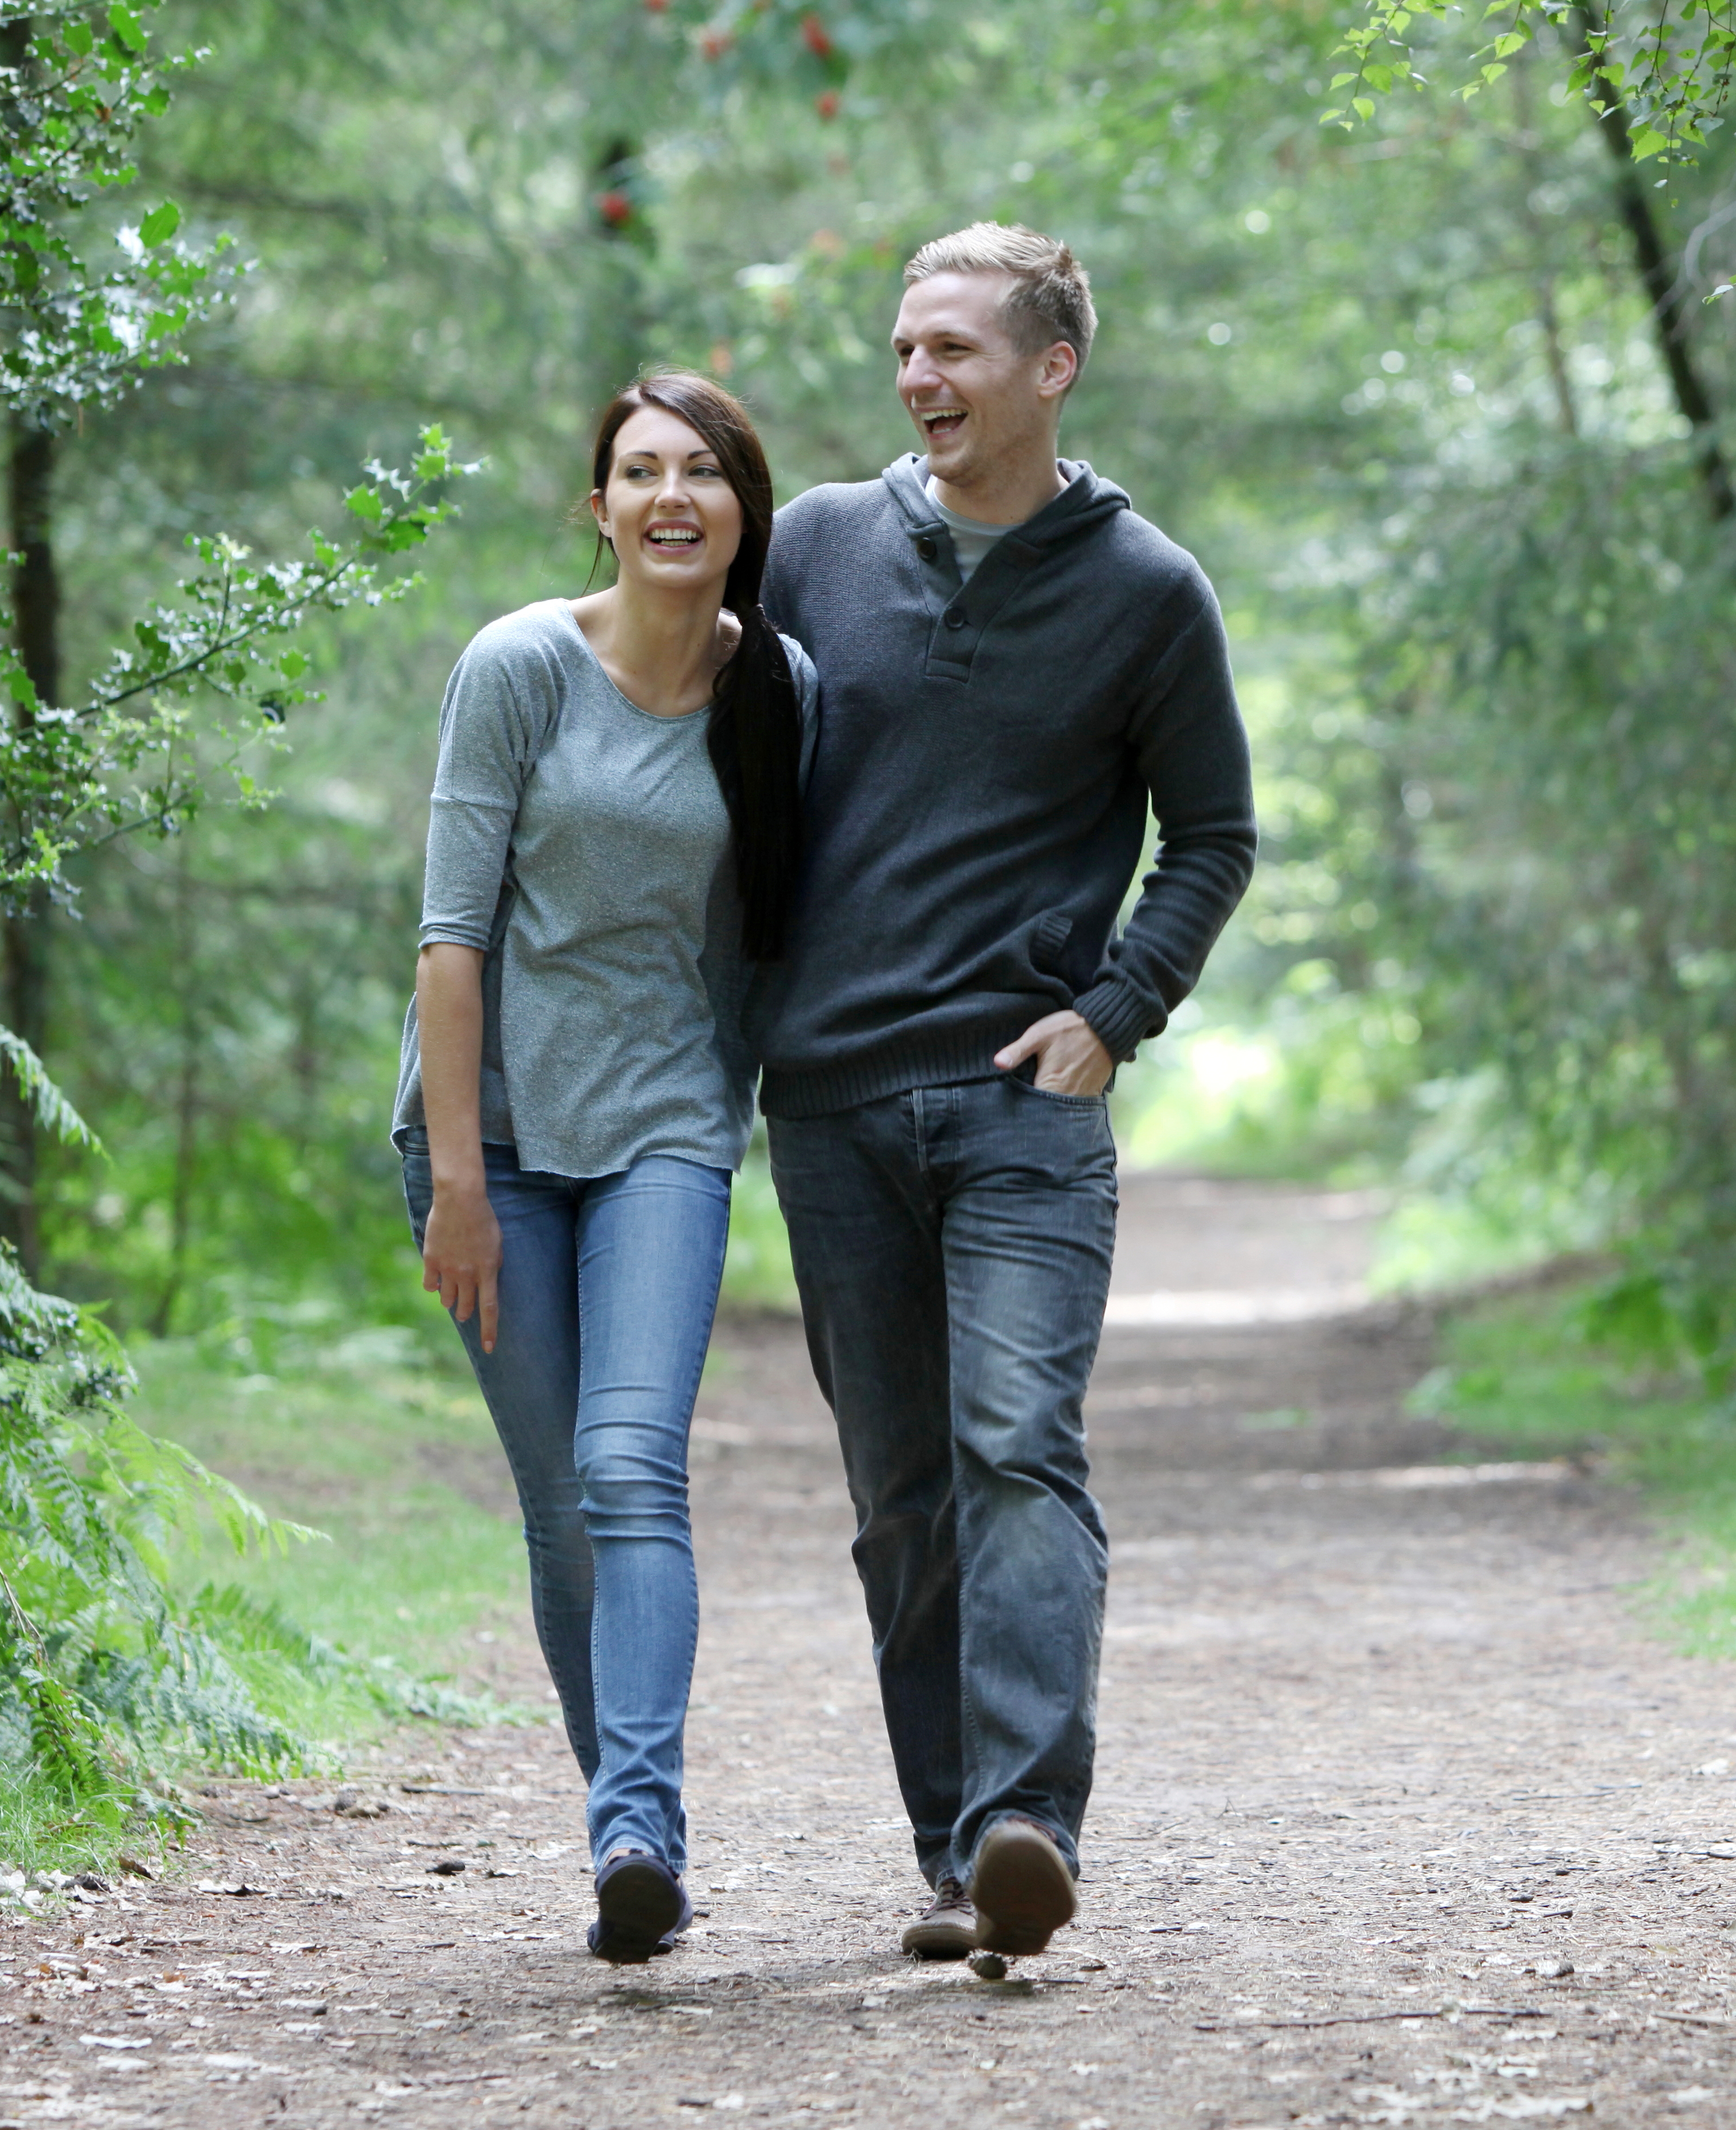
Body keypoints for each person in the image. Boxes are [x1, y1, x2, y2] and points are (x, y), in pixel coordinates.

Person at [757, 225, 1257, 1960]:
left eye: (958, 349)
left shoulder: (1145, 591)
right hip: (826, 1102)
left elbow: (1215, 837)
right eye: (906, 348)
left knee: (1014, 1447)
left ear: (1053, 370)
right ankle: (954, 1852)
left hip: (1025, 1108)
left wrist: (1118, 1010)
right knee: (899, 1490)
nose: (920, 379)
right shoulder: (816, 546)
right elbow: (677, 692)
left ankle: (1029, 1814)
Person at [392, 370, 811, 1966]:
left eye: (702, 471)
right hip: (484, 1136)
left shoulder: (780, 690)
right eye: (640, 472)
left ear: (740, 509)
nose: (671, 497)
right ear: (601, 507)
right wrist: (455, 1181)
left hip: (663, 1131)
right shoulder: (517, 667)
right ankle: (625, 1818)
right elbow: (450, 936)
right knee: (561, 1511)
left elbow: (790, 919)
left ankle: (637, 1825)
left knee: (633, 1469)